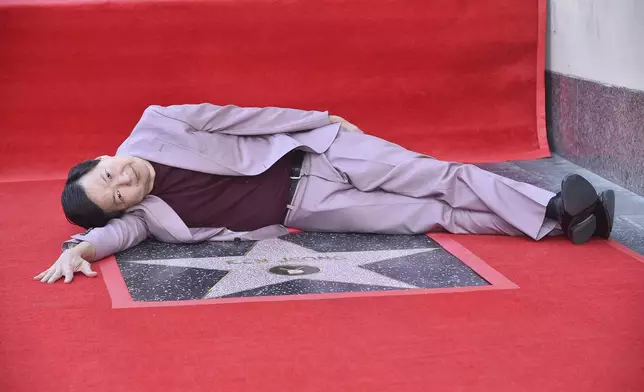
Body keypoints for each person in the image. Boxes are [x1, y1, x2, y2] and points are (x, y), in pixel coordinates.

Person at [34, 103, 615, 284]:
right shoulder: (147, 215)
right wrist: (80, 249)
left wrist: (324, 119)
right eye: (115, 195)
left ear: (105, 157)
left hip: (318, 154)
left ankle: (552, 207)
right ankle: (565, 223)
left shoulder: (158, 123)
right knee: (432, 215)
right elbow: (116, 235)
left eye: (108, 173)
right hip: (309, 205)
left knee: (441, 176)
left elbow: (247, 117)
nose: (122, 182)